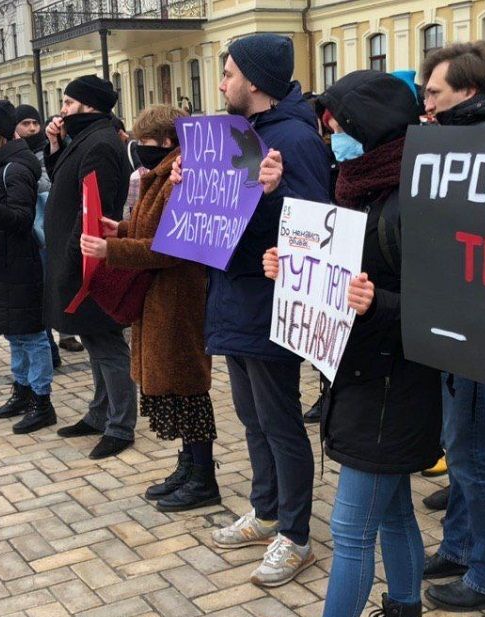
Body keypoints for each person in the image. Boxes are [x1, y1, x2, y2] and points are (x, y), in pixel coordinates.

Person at [272, 71, 443, 617]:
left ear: (366, 128)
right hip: (362, 375)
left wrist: (381, 304)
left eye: (338, 125)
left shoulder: (413, 197)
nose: (331, 135)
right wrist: (290, 267)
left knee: (349, 530)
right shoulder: (359, 185)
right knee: (392, 514)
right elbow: (340, 268)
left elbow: (450, 302)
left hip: (396, 382)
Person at [204, 34, 331, 588]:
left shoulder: (294, 140)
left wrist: (273, 194)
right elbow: (229, 212)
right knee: (251, 415)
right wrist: (197, 192)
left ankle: (297, 536)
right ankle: (267, 508)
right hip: (234, 294)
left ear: (254, 81)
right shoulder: (241, 135)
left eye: (229, 73)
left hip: (270, 300)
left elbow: (314, 226)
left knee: (280, 422)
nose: (222, 82)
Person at [415, 41, 485, 613]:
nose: (426, 102)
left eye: (434, 92)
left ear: (470, 91)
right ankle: (461, 546)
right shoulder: (460, 139)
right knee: (463, 444)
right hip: (456, 319)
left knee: (480, 450)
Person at [80, 104, 221, 512]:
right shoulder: (161, 175)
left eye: (147, 142)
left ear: (169, 143)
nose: (141, 150)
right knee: (174, 389)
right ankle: (188, 466)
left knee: (188, 387)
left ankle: (203, 476)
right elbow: (151, 229)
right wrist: (120, 228)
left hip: (179, 297)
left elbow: (173, 246)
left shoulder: (183, 178)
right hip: (160, 297)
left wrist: (114, 248)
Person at [41, 75, 136, 459]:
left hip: (89, 258)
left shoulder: (99, 144)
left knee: (105, 341)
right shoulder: (86, 138)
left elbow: (93, 212)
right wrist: (53, 146)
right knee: (92, 338)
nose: (62, 110)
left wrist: (72, 261)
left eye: (68, 102)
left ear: (88, 106)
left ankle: (120, 424)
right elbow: (63, 179)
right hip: (76, 253)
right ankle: (99, 413)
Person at [0, 100, 56, 433]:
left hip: (19, 264)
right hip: (2, 263)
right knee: (15, 334)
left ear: (1, 134)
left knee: (32, 336)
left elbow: (20, 219)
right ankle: (22, 391)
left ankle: (42, 401)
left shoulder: (15, 169)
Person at [15, 103, 81, 365]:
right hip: (30, 231)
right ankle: (50, 344)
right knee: (41, 292)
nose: (32, 128)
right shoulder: (18, 152)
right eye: (26, 124)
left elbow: (52, 181)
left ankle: (66, 331)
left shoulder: (48, 148)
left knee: (58, 284)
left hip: (51, 228)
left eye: (35, 122)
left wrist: (26, 175)